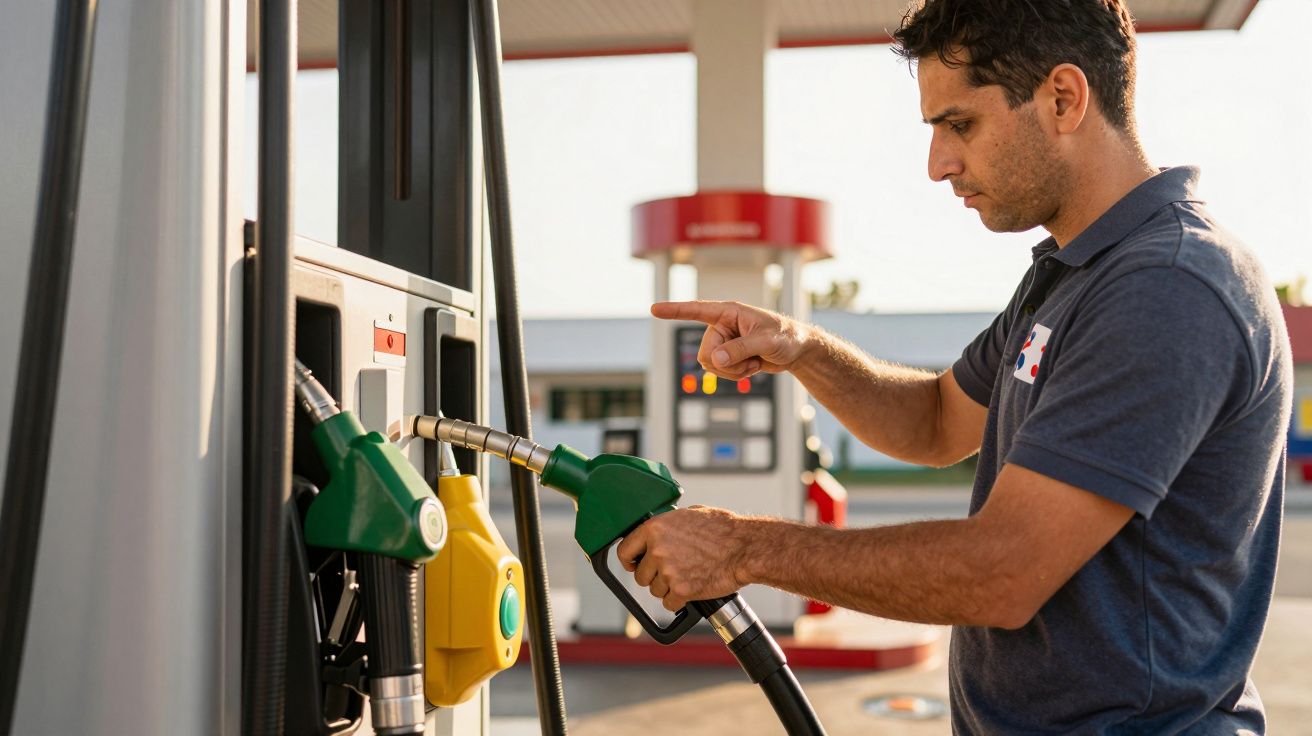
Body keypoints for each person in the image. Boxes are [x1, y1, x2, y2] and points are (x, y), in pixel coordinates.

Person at [615, 0, 1293, 732]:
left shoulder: (1168, 285)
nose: (938, 164)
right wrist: (805, 351)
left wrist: (739, 547)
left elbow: (1002, 571)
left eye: (959, 124)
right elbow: (936, 421)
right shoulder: (1072, 275)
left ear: (1063, 98)